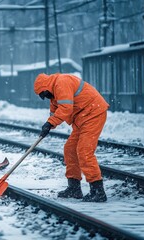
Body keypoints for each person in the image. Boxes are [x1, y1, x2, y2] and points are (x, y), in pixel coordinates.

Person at [34, 73, 109, 202]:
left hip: (93, 113)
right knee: (70, 149)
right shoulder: (54, 92)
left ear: (46, 88)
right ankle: (74, 188)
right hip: (82, 118)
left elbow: (65, 108)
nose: (46, 98)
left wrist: (51, 123)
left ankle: (98, 191)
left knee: (84, 151)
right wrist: (48, 125)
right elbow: (55, 110)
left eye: (45, 94)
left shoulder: (61, 83)